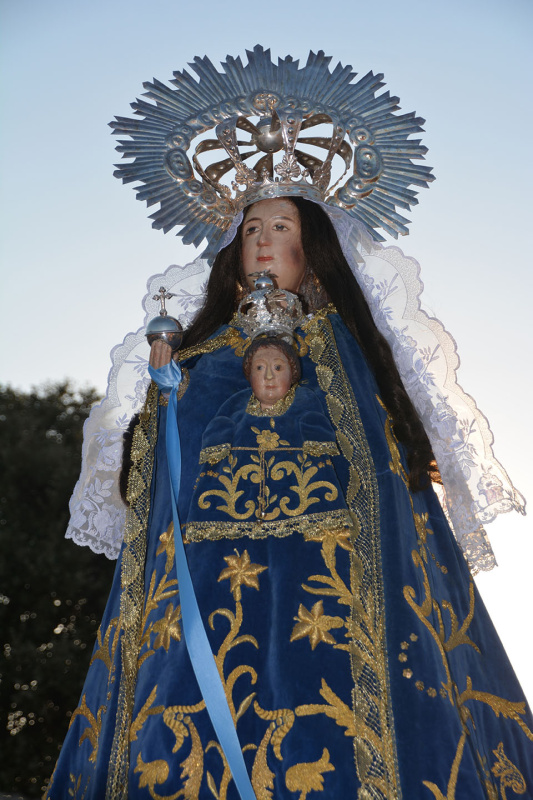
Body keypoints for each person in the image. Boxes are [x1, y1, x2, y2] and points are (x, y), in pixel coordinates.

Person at [46, 194, 533, 800]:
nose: (262, 239)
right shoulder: (201, 359)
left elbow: (380, 469)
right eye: (252, 227)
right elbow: (160, 474)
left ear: (315, 253)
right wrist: (165, 398)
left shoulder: (344, 351)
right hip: (205, 581)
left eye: (281, 227)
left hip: (330, 579)